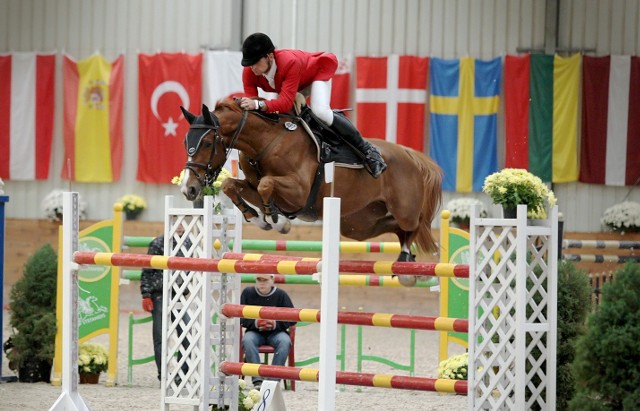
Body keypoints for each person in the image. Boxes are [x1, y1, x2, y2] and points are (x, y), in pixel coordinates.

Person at [238, 32, 387, 178]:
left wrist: (257, 104)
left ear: (269, 56)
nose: (252, 67)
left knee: (320, 112)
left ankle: (368, 151)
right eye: (249, 63)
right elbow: (254, 106)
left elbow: (283, 103)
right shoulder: (249, 72)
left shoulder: (289, 61)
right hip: (290, 85)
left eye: (256, 62)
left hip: (315, 74)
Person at [140, 233, 191, 382]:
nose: (180, 225)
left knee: (186, 334)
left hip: (180, 294)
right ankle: (163, 374)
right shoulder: (158, 243)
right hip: (159, 294)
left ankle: (182, 375)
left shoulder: (189, 242)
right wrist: (146, 294)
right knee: (160, 337)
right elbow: (147, 269)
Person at [240, 274, 295, 388]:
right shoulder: (247, 293)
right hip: (254, 331)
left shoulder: (281, 295)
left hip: (277, 332)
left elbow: (293, 318)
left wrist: (276, 324)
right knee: (247, 340)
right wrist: (255, 323)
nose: (262, 283)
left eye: (265, 280)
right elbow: (240, 317)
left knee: (285, 341)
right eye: (259, 279)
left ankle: (272, 381)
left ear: (272, 280)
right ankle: (257, 380)